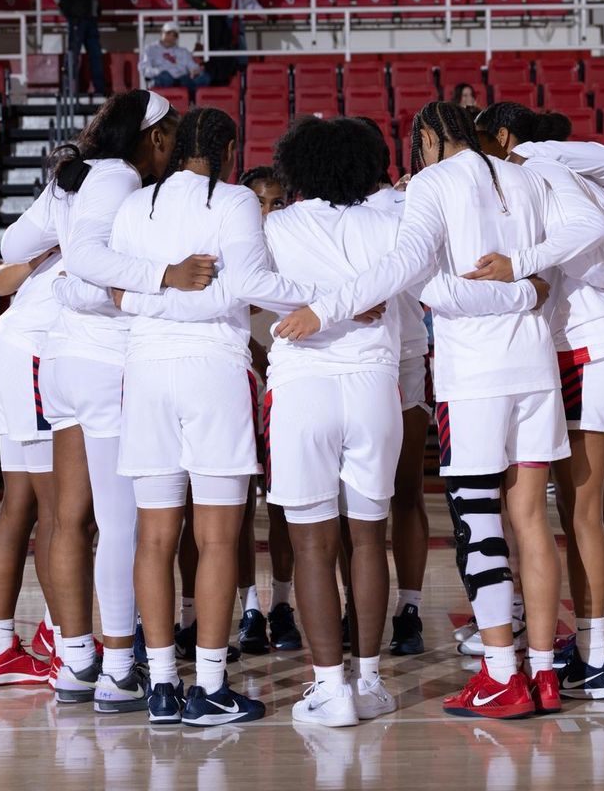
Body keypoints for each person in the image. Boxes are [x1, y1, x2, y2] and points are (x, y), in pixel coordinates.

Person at [276, 101, 604, 719]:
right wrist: (524, 278)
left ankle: (501, 673)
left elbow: (419, 279)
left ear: (427, 140)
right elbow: (591, 227)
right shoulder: (528, 172)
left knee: (478, 518)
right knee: (531, 521)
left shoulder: (436, 183)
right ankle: (545, 672)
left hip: (474, 377)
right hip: (535, 366)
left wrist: (326, 308)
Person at [104, 106, 321, 726]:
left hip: (144, 373)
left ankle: (164, 688)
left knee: (154, 535)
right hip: (212, 371)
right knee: (220, 536)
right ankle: (211, 687)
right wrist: (324, 303)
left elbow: (112, 291)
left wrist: (158, 297)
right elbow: (251, 283)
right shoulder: (234, 203)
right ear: (228, 150)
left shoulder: (134, 205)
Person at [0, 90, 212, 713]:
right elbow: (92, 262)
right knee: (121, 522)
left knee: (67, 518)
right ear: (151, 137)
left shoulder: (74, 174)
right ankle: (119, 667)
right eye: (168, 136)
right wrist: (164, 275)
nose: (171, 149)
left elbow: (14, 247)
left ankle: (74, 662)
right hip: (107, 364)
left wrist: (64, 259)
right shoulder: (118, 178)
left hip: (61, 364)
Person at [482, 104, 604, 700]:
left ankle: (592, 656)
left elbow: (585, 238)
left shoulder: (533, 170)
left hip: (587, 347)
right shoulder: (588, 181)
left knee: (583, 514)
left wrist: (520, 262)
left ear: (504, 137)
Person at [257, 116, 403, 726]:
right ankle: (369, 681)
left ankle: (328, 688)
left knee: (311, 544)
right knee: (369, 538)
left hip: (303, 386)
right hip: (374, 387)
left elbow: (249, 289)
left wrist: (311, 301)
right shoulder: (390, 219)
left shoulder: (275, 224)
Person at [0, 243, 62, 686]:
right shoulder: (102, 209)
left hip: (9, 349)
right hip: (31, 355)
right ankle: (66, 643)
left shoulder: (58, 209)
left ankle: (3, 646)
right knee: (58, 511)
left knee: (22, 504)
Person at [357, 117, 430, 657]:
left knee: (366, 502)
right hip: (398, 360)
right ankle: (406, 609)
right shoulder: (404, 205)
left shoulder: (398, 205)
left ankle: (396, 610)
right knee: (399, 495)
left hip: (394, 357)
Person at [234, 165, 301, 654]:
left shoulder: (297, 247)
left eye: (277, 202)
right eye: (260, 200)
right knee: (235, 509)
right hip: (235, 384)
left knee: (281, 504)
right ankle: (248, 606)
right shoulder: (228, 246)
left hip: (282, 388)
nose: (268, 210)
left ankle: (282, 602)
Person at [60, 0, 109, 96]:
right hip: (77, 17)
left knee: (95, 55)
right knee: (73, 55)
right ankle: (68, 89)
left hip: (89, 17)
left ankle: (99, 89)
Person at [141, 22, 210, 91]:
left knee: (204, 77)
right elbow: (145, 69)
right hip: (161, 79)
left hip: (181, 80)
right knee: (165, 77)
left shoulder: (183, 51)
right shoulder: (150, 49)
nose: (171, 37)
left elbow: (192, 67)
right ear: (161, 33)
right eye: (168, 33)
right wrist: (159, 72)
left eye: (174, 35)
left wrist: (195, 71)